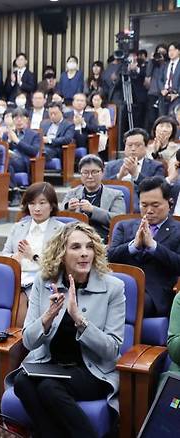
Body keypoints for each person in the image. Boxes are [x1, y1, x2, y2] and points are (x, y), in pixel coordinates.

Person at [10, 222, 125, 438]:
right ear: (61, 253)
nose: (84, 254)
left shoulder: (113, 288)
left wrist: (79, 320)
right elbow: (27, 341)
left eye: (89, 247)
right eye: (76, 247)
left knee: (48, 388)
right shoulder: (43, 282)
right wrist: (48, 316)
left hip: (92, 371)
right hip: (50, 364)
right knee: (22, 382)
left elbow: (112, 350)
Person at [108, 176, 180, 317]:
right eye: (144, 205)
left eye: (155, 205)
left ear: (170, 204)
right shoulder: (124, 226)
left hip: (155, 295)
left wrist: (153, 246)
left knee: (124, 303)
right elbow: (109, 258)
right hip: (120, 286)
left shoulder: (178, 230)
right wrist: (134, 246)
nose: (149, 210)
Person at [2, 182, 64, 326]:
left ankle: (19, 340)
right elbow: (4, 254)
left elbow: (59, 266)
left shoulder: (61, 230)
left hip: (43, 279)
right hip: (16, 276)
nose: (37, 208)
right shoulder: (18, 227)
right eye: (32, 203)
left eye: (42, 203)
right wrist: (13, 259)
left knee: (20, 297)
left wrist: (33, 257)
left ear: (52, 205)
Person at [62, 155, 126, 241]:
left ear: (102, 172)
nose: (90, 176)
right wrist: (68, 208)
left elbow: (119, 219)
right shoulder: (72, 193)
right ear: (80, 174)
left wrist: (92, 210)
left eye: (94, 172)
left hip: (103, 238)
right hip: (75, 237)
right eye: (85, 172)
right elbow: (58, 215)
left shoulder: (116, 194)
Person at [104, 128, 164, 201]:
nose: (133, 149)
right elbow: (103, 188)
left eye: (138, 145)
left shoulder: (156, 166)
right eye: (129, 145)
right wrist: (119, 176)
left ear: (146, 147)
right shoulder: (111, 166)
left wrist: (136, 175)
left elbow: (159, 190)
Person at [0, 108, 40, 193]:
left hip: (23, 162)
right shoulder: (7, 134)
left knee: (5, 163)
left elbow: (34, 151)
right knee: (6, 164)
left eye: (21, 118)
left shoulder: (34, 135)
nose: (19, 120)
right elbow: (2, 151)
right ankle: (13, 191)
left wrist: (17, 141)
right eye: (16, 118)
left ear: (27, 119)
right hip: (10, 161)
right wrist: (9, 142)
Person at [145, 45, 169, 131]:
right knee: (151, 118)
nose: (160, 55)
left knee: (161, 118)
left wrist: (163, 62)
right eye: (158, 52)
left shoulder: (168, 65)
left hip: (163, 94)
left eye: (163, 53)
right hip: (152, 93)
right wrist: (152, 60)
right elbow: (147, 73)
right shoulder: (153, 64)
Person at [158, 42, 180, 116]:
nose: (171, 52)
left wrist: (177, 94)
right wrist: (162, 89)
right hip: (164, 95)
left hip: (177, 97)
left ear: (179, 51)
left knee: (174, 118)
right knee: (163, 118)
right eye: (169, 50)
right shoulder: (165, 64)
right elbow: (160, 79)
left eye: (173, 50)